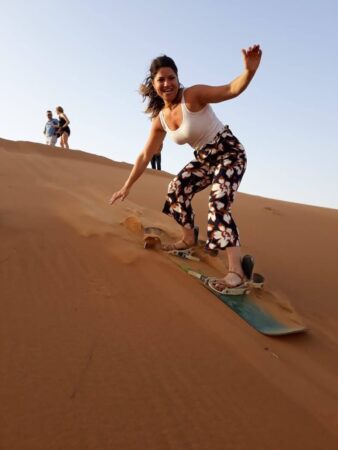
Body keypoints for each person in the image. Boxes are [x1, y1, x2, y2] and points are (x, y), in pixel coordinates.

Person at [109, 45, 262, 292]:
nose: (167, 84)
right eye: (161, 79)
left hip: (229, 153)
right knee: (176, 189)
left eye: (172, 78)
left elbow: (231, 89)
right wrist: (127, 186)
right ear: (153, 83)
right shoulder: (160, 119)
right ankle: (189, 238)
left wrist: (249, 71)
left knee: (218, 201)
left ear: (178, 79)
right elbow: (145, 155)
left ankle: (236, 271)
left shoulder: (193, 95)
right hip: (205, 159)